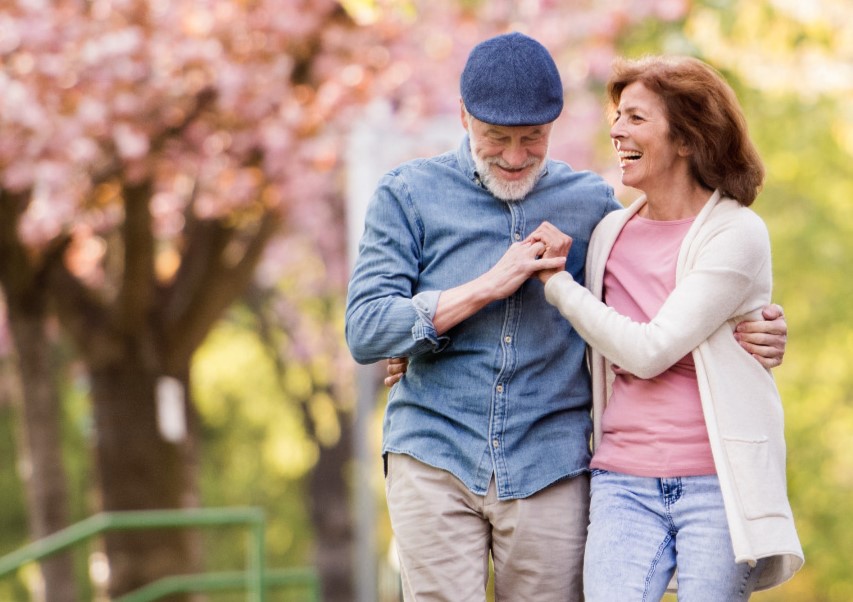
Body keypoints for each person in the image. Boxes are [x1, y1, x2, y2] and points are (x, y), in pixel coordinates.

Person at [347, 33, 788, 601]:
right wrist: (480, 290)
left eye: (532, 139)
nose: (514, 156)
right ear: (462, 116)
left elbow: (666, 303)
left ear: (553, 126)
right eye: (495, 138)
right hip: (435, 451)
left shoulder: (594, 210)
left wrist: (758, 326)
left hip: (550, 462)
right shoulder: (407, 195)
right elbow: (365, 329)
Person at [528, 55, 804, 600]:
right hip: (620, 482)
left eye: (636, 118)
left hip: (716, 486)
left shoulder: (737, 233)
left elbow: (649, 350)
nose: (617, 130)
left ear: (686, 138)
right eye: (617, 116)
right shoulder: (609, 232)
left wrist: (558, 285)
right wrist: (412, 344)